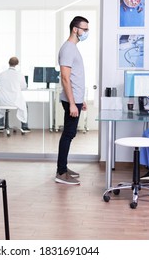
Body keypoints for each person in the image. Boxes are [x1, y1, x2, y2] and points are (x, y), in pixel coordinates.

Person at [55, 16, 88, 185]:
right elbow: (65, 78)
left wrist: (81, 100)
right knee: (68, 134)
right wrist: (73, 103)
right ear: (75, 29)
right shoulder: (68, 48)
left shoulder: (73, 48)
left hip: (75, 99)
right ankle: (61, 172)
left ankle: (64, 167)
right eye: (85, 29)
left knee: (70, 133)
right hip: (70, 100)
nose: (86, 32)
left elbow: (76, 77)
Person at [0, 57, 30, 133]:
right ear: (17, 64)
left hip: (3, 101)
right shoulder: (19, 74)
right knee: (25, 105)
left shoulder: (1, 74)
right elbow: (24, 87)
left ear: (8, 63)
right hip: (15, 101)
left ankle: (0, 125)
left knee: (0, 104)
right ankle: (24, 126)